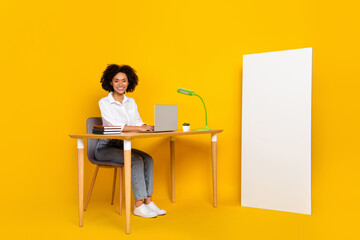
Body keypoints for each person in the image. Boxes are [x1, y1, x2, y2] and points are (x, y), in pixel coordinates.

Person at [95, 64, 166, 218]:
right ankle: (138, 205)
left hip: (122, 145)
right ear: (110, 83)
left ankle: (148, 201)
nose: (120, 84)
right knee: (136, 161)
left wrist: (148, 126)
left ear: (129, 82)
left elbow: (138, 122)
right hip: (105, 148)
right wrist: (139, 128)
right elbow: (114, 125)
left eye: (124, 81)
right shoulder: (104, 102)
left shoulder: (131, 102)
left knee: (148, 158)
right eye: (116, 81)